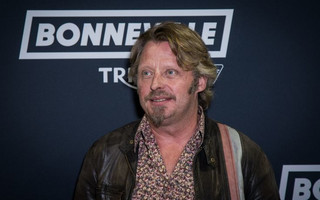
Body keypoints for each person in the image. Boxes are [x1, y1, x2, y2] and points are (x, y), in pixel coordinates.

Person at [74, 22, 280, 199]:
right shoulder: (104, 154)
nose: (155, 84)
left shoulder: (244, 156)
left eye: (170, 72)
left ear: (199, 81)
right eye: (146, 73)